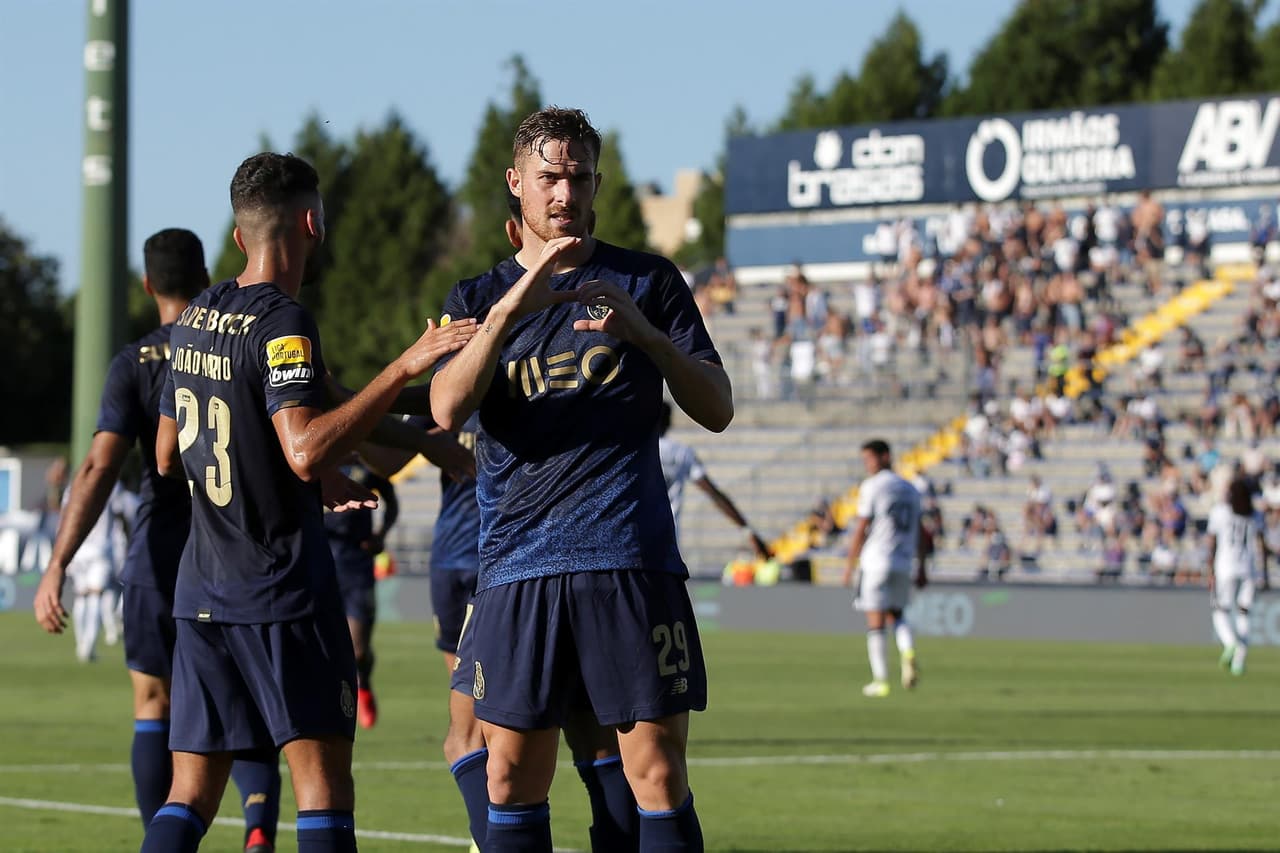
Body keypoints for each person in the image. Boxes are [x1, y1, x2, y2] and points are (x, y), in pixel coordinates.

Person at [140, 153, 476, 853]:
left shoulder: (197, 315)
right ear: (311, 223)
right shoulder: (284, 319)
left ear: (239, 236)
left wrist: (323, 470)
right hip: (278, 589)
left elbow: (170, 453)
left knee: (190, 794)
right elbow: (304, 446)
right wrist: (405, 366)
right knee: (321, 788)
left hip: (200, 593)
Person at [431, 107, 730, 852]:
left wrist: (648, 337)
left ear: (597, 182)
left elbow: (718, 406)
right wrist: (509, 310)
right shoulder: (476, 296)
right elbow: (445, 405)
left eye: (579, 176)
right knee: (510, 777)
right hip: (518, 566)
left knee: (654, 771)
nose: (565, 192)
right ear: (516, 183)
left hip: (628, 556)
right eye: (549, 176)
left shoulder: (647, 280)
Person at [33, 228, 283, 852]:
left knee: (153, 704)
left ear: (147, 286)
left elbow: (96, 468)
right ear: (206, 276)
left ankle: (162, 838)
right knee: (249, 704)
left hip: (159, 555)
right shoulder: (234, 341)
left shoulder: (135, 363)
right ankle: (257, 830)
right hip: (234, 552)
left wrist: (57, 563)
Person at [841, 439, 926, 698]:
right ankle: (907, 651)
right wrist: (922, 565)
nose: (866, 465)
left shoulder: (872, 486)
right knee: (897, 614)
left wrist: (849, 564)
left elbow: (862, 527)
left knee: (875, 621)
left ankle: (881, 681)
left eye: (869, 459)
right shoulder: (911, 489)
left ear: (885, 456)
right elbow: (921, 531)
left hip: (876, 561)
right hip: (903, 560)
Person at [323, 458, 398, 729]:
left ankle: (363, 685)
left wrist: (381, 535)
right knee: (322, 646)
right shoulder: (318, 457)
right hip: (320, 563)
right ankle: (333, 702)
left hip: (358, 567)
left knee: (358, 649)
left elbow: (392, 502)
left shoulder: (369, 462)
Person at [657, 401, 769, 558]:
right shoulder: (681, 452)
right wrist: (747, 530)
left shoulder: (635, 449)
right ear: (669, 421)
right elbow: (714, 494)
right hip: (668, 541)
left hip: (633, 539)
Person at [1206, 478, 1268, 676]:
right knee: (1243, 613)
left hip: (1226, 567)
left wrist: (1210, 570)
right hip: (1248, 568)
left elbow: (1212, 543)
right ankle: (1239, 662)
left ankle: (1230, 643)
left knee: (1220, 610)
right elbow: (1262, 547)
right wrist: (1264, 574)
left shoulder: (1220, 512)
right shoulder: (1255, 516)